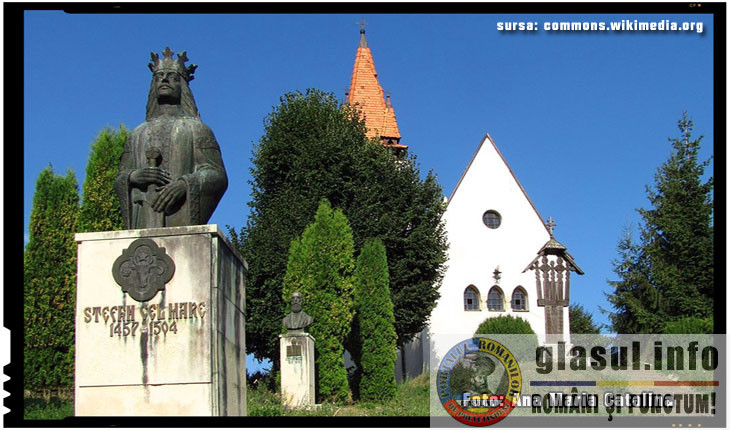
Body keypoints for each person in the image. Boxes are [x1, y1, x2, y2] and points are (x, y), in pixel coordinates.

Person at [115, 47, 227, 229]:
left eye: (172, 77)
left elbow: (217, 175)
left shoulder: (198, 129)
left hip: (179, 214)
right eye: (159, 77)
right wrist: (134, 176)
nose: (164, 80)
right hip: (143, 215)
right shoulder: (136, 134)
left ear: (182, 87)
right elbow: (121, 177)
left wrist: (185, 185)